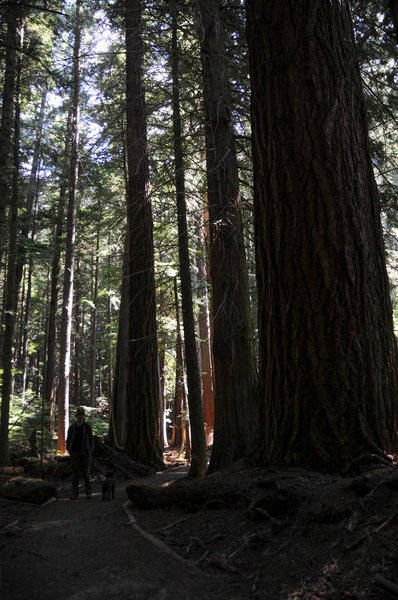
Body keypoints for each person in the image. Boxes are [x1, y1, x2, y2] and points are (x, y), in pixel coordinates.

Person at [66, 407, 95, 500]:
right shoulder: (72, 427)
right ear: (76, 416)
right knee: (75, 473)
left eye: (82, 415)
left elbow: (91, 439)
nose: (80, 417)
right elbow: (69, 439)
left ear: (84, 416)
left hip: (85, 453)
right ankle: (75, 493)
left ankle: (88, 492)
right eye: (79, 415)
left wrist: (90, 450)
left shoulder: (87, 427)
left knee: (86, 473)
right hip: (75, 453)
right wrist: (69, 450)